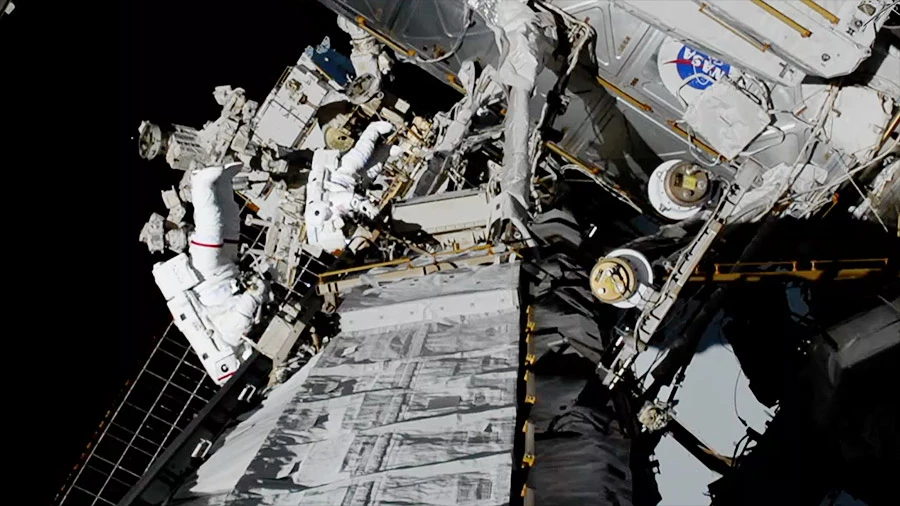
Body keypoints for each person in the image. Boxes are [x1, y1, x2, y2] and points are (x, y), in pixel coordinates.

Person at [150, 162, 270, 385]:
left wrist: (255, 294)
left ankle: (200, 183)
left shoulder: (231, 342)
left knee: (211, 230)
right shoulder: (241, 341)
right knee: (231, 224)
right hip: (228, 271)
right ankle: (223, 182)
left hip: (207, 277)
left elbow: (239, 321)